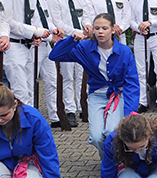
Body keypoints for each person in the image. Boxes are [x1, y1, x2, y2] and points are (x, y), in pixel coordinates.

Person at [49, 13, 139, 158]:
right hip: (97, 95)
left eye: (104, 28)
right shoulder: (85, 47)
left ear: (113, 29)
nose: (100, 32)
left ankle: (113, 162)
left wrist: (130, 113)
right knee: (97, 137)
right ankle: (109, 160)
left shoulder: (124, 51)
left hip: (118, 94)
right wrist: (72, 40)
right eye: (97, 28)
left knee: (111, 132)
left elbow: (132, 84)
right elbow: (54, 55)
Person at [0, 0, 63, 127]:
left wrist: (38, 35)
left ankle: (30, 127)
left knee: (30, 90)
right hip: (13, 46)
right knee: (20, 91)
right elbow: (7, 21)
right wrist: (34, 31)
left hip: (29, 47)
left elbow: (34, 20)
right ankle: (21, 128)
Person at [46, 0, 86, 127]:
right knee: (67, 76)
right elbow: (58, 23)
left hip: (81, 41)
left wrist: (87, 27)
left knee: (82, 74)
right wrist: (79, 32)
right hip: (66, 42)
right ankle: (70, 110)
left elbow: (84, 17)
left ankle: (82, 106)